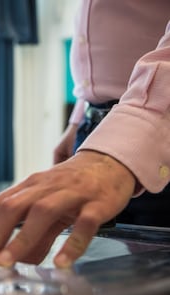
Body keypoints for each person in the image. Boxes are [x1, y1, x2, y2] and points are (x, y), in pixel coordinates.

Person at [0, 0, 170, 269]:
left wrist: (129, 135)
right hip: (96, 128)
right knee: (88, 276)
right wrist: (79, 120)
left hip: (155, 133)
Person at [53, 0, 170, 227]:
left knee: (155, 254)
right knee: (88, 251)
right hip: (91, 126)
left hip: (153, 133)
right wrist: (77, 122)